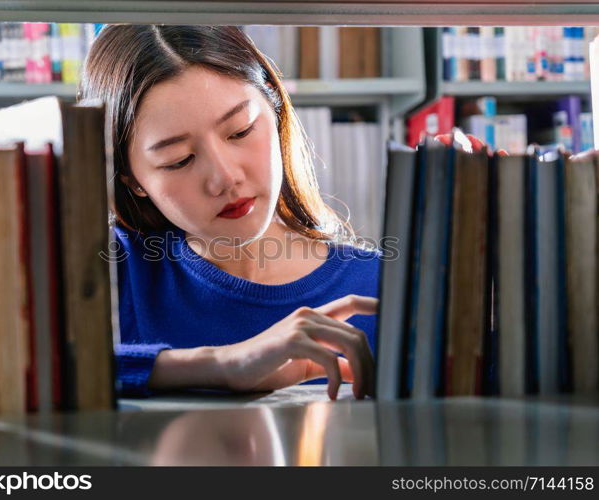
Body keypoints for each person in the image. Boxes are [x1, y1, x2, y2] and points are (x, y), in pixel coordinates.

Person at [79, 25, 489, 401]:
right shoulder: (109, 276)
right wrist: (221, 365)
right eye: (178, 160)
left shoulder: (391, 285)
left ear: (276, 114)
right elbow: (33, 370)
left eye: (240, 131)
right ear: (132, 180)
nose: (225, 178)